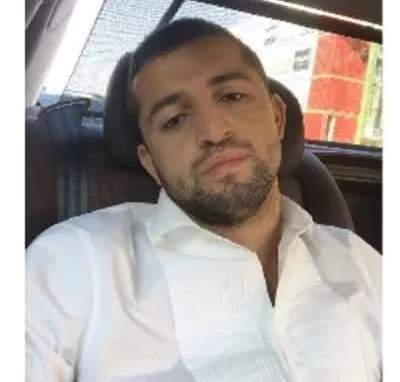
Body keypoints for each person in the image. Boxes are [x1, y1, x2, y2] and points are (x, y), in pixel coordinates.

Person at [26, 19, 381, 382]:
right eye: (174, 120)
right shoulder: (73, 264)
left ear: (277, 118)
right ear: (151, 163)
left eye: (232, 96)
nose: (213, 131)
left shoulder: (358, 262)